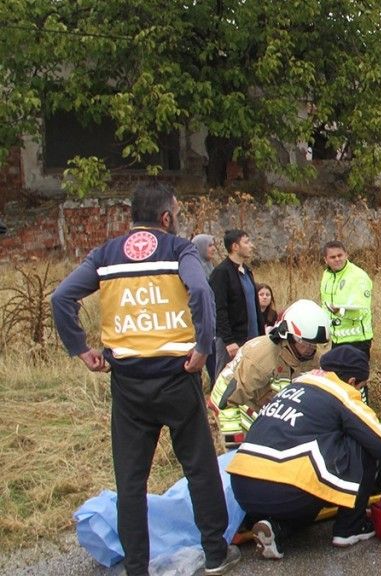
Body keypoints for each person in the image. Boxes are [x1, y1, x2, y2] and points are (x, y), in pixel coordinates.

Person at [51, 182, 239, 576]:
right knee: (199, 467)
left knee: (131, 481)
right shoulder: (178, 249)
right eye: (177, 212)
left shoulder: (105, 254)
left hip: (128, 382)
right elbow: (200, 290)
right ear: (166, 217)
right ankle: (215, 553)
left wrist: (81, 349)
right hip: (177, 375)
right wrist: (203, 347)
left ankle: (136, 566)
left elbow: (61, 298)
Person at [227, 345, 381, 561]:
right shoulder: (341, 392)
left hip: (243, 489)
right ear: (353, 381)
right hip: (285, 489)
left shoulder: (297, 384)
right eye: (361, 387)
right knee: (361, 442)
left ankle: (275, 528)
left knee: (307, 496)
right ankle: (350, 528)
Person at [210, 299, 331, 449]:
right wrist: (234, 447)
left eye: (314, 344)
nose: (310, 349)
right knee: (248, 451)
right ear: (288, 335)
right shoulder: (262, 358)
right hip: (232, 404)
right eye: (305, 343)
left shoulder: (311, 357)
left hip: (263, 402)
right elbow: (229, 402)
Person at [209, 230, 259, 379]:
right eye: (246, 242)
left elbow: (254, 305)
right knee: (226, 379)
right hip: (233, 340)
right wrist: (229, 341)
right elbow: (219, 309)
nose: (251, 246)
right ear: (235, 247)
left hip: (252, 338)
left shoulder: (247, 271)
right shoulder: (221, 272)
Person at [319, 241, 373, 352]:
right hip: (336, 340)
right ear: (326, 260)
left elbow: (362, 312)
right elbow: (325, 305)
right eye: (333, 257)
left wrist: (339, 312)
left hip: (357, 341)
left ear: (346, 255)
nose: (337, 259)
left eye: (340, 255)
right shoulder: (327, 275)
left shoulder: (358, 276)